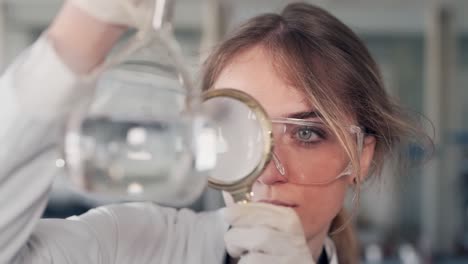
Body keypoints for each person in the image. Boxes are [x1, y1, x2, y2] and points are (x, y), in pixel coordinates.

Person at [0, 1, 430, 263]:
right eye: (240, 126)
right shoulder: (133, 243)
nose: (266, 171)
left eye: (306, 133)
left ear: (362, 156)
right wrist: (77, 37)